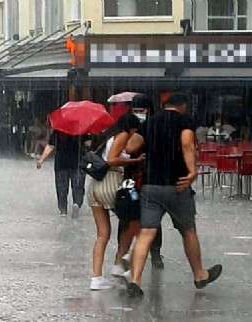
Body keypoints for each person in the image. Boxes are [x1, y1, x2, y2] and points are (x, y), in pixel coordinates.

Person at [125, 92, 222, 297]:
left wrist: (145, 153)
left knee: (147, 232)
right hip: (177, 185)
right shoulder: (184, 121)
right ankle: (200, 275)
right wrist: (192, 171)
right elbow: (187, 143)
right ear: (183, 106)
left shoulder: (151, 122)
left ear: (165, 105)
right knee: (188, 230)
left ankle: (135, 281)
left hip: (151, 185)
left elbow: (130, 145)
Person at [86, 113, 144, 290]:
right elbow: (112, 159)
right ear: (131, 127)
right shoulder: (123, 135)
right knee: (137, 222)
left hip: (95, 186)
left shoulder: (108, 135)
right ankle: (125, 262)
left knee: (103, 234)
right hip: (110, 182)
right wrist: (134, 160)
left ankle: (96, 278)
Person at [118, 94, 165, 270]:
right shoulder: (128, 126)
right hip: (130, 179)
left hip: (149, 178)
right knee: (128, 214)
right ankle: (123, 253)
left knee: (152, 218)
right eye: (136, 111)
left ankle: (155, 252)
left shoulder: (154, 127)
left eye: (142, 111)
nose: (139, 114)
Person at [37, 130, 88, 218]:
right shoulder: (81, 129)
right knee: (78, 185)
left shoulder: (58, 131)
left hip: (61, 162)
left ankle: (63, 210)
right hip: (78, 162)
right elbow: (88, 144)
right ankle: (77, 204)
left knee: (61, 187)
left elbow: (51, 146)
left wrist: (42, 159)